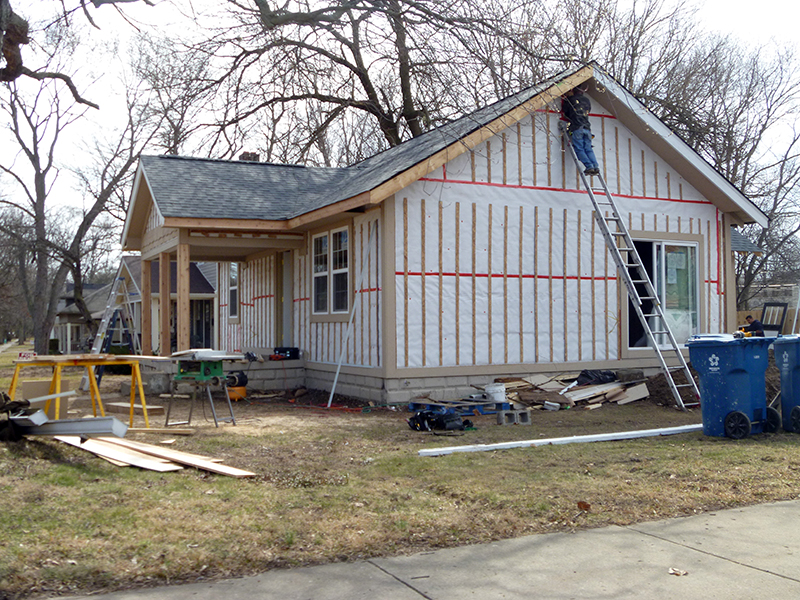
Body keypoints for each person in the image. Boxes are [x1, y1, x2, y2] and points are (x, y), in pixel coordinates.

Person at [561, 85, 600, 176]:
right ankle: (595, 166)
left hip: (577, 128)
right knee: (588, 149)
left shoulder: (570, 100)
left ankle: (589, 166)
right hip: (587, 128)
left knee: (579, 149)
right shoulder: (587, 100)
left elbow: (565, 111)